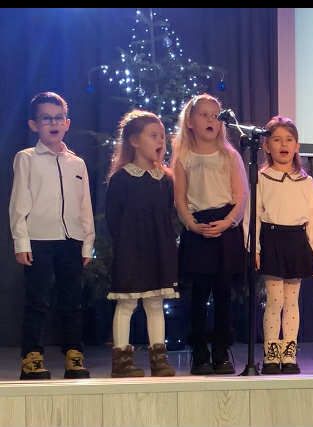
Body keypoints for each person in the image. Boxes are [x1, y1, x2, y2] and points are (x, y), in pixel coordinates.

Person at [10, 92, 94, 380]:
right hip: (39, 239)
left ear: (67, 123)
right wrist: (21, 241)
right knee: (38, 300)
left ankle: (74, 354)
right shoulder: (26, 158)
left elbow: (85, 206)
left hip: (71, 239)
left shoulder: (77, 163)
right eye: (46, 119)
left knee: (72, 301)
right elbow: (19, 203)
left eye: (59, 118)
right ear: (34, 125)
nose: (54, 123)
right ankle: (32, 356)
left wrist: (87, 244)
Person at [172, 94, 248, 375]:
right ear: (190, 122)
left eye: (215, 115)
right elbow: (180, 199)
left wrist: (228, 221)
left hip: (226, 227)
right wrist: (191, 224)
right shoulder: (184, 157)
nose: (210, 120)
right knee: (198, 294)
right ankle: (199, 351)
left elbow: (241, 195)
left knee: (223, 293)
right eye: (203, 115)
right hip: (198, 227)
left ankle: (221, 350)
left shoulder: (229, 155)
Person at [106, 110, 178, 377]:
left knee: (155, 303)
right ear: (135, 141)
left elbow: (168, 215)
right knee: (126, 304)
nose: (160, 141)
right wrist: (126, 245)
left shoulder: (165, 180)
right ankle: (121, 361)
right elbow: (113, 218)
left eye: (162, 136)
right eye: (153, 135)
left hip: (159, 250)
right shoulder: (122, 179)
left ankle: (159, 359)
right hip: (131, 250)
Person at [256, 116, 313, 375]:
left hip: (296, 241)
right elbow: (254, 215)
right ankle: (271, 354)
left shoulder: (306, 181)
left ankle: (289, 353)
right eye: (277, 140)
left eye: (289, 140)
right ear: (266, 145)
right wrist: (255, 248)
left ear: (297, 146)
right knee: (274, 300)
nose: (283, 145)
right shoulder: (261, 178)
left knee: (292, 300)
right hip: (272, 239)